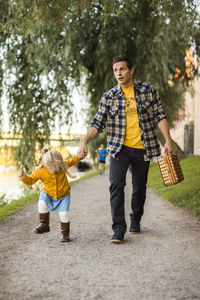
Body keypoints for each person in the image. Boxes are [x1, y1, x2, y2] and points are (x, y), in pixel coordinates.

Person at [78, 55, 173, 243]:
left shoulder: (148, 90)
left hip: (142, 148)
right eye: (115, 70)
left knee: (139, 188)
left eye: (122, 69)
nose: (119, 73)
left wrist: (168, 140)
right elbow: (97, 122)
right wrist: (84, 141)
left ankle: (135, 217)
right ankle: (119, 229)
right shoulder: (109, 96)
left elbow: (160, 116)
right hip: (118, 148)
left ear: (131, 70)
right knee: (116, 186)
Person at [19, 145, 84, 242]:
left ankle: (65, 234)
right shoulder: (41, 171)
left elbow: (72, 160)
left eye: (58, 165)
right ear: (46, 164)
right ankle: (44, 225)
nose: (56, 168)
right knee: (42, 203)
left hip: (63, 196)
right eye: (53, 166)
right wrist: (23, 177)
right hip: (48, 194)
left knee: (64, 215)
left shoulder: (62, 166)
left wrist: (79, 156)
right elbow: (31, 180)